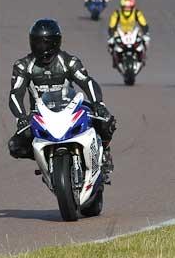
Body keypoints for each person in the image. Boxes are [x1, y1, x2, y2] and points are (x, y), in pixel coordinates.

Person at [7, 19, 117, 180]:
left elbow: (87, 82)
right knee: (15, 146)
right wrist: (20, 117)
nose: (40, 47)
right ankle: (45, 160)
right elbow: (15, 93)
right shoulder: (23, 66)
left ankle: (105, 152)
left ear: (55, 43)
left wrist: (98, 104)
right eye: (36, 42)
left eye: (45, 43)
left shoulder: (69, 62)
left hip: (71, 108)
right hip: (40, 115)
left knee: (106, 120)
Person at [107, 0, 150, 68]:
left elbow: (143, 24)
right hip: (120, 32)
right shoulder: (117, 14)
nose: (127, 9)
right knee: (111, 44)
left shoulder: (137, 13)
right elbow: (112, 25)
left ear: (132, 7)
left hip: (133, 32)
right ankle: (115, 59)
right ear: (122, 7)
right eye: (125, 7)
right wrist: (111, 35)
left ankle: (142, 57)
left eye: (129, 7)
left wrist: (146, 33)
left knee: (145, 41)